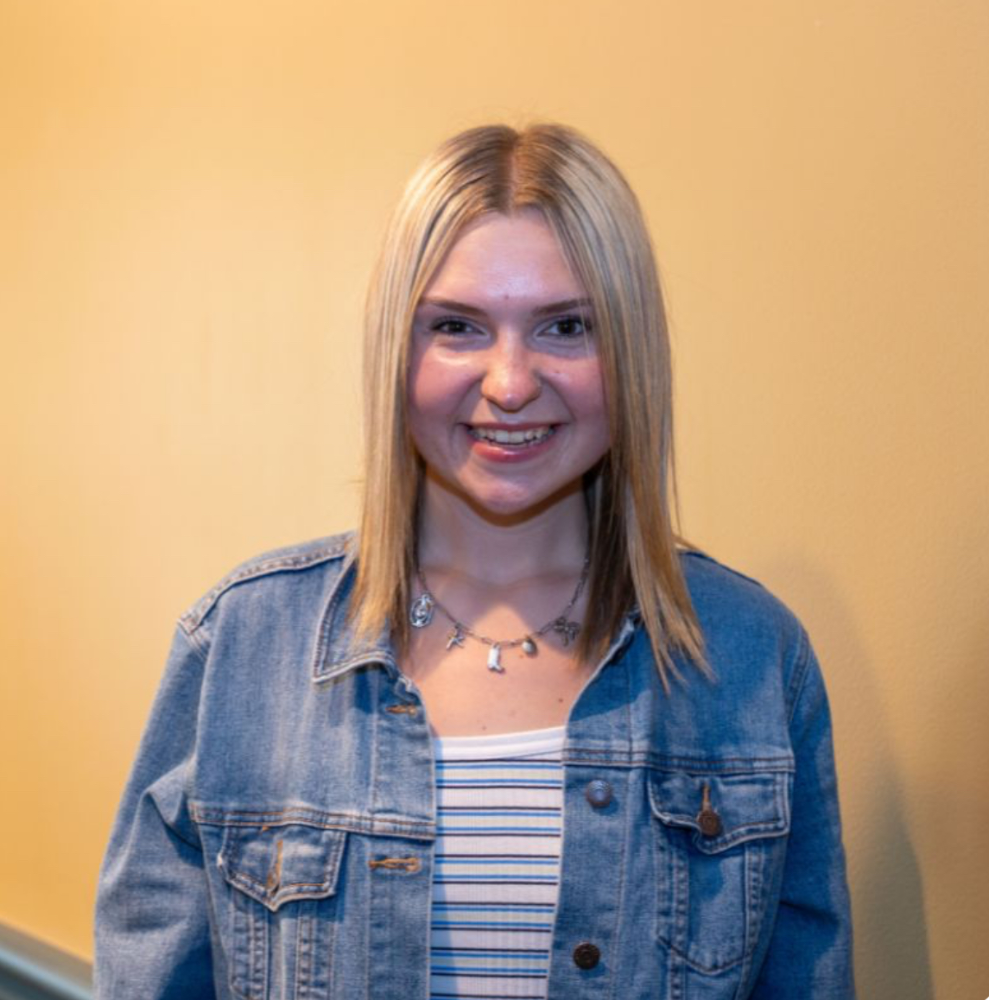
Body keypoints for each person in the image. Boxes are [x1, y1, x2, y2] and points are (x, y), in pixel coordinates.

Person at [95, 123, 855, 999]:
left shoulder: (751, 657)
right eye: (456, 327)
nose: (508, 382)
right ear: (397, 352)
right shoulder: (238, 646)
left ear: (630, 354)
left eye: (566, 327)